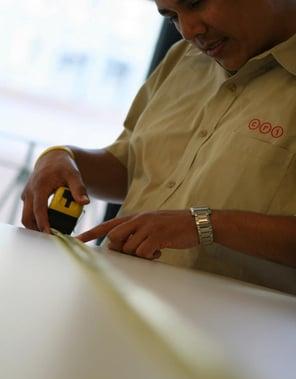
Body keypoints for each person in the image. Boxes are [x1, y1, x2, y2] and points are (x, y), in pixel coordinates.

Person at [21, 0, 296, 294]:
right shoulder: (184, 59)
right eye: (171, 17)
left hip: (234, 331)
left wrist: (204, 224)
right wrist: (62, 158)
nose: (189, 30)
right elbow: (133, 168)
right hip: (110, 295)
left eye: (195, 3)